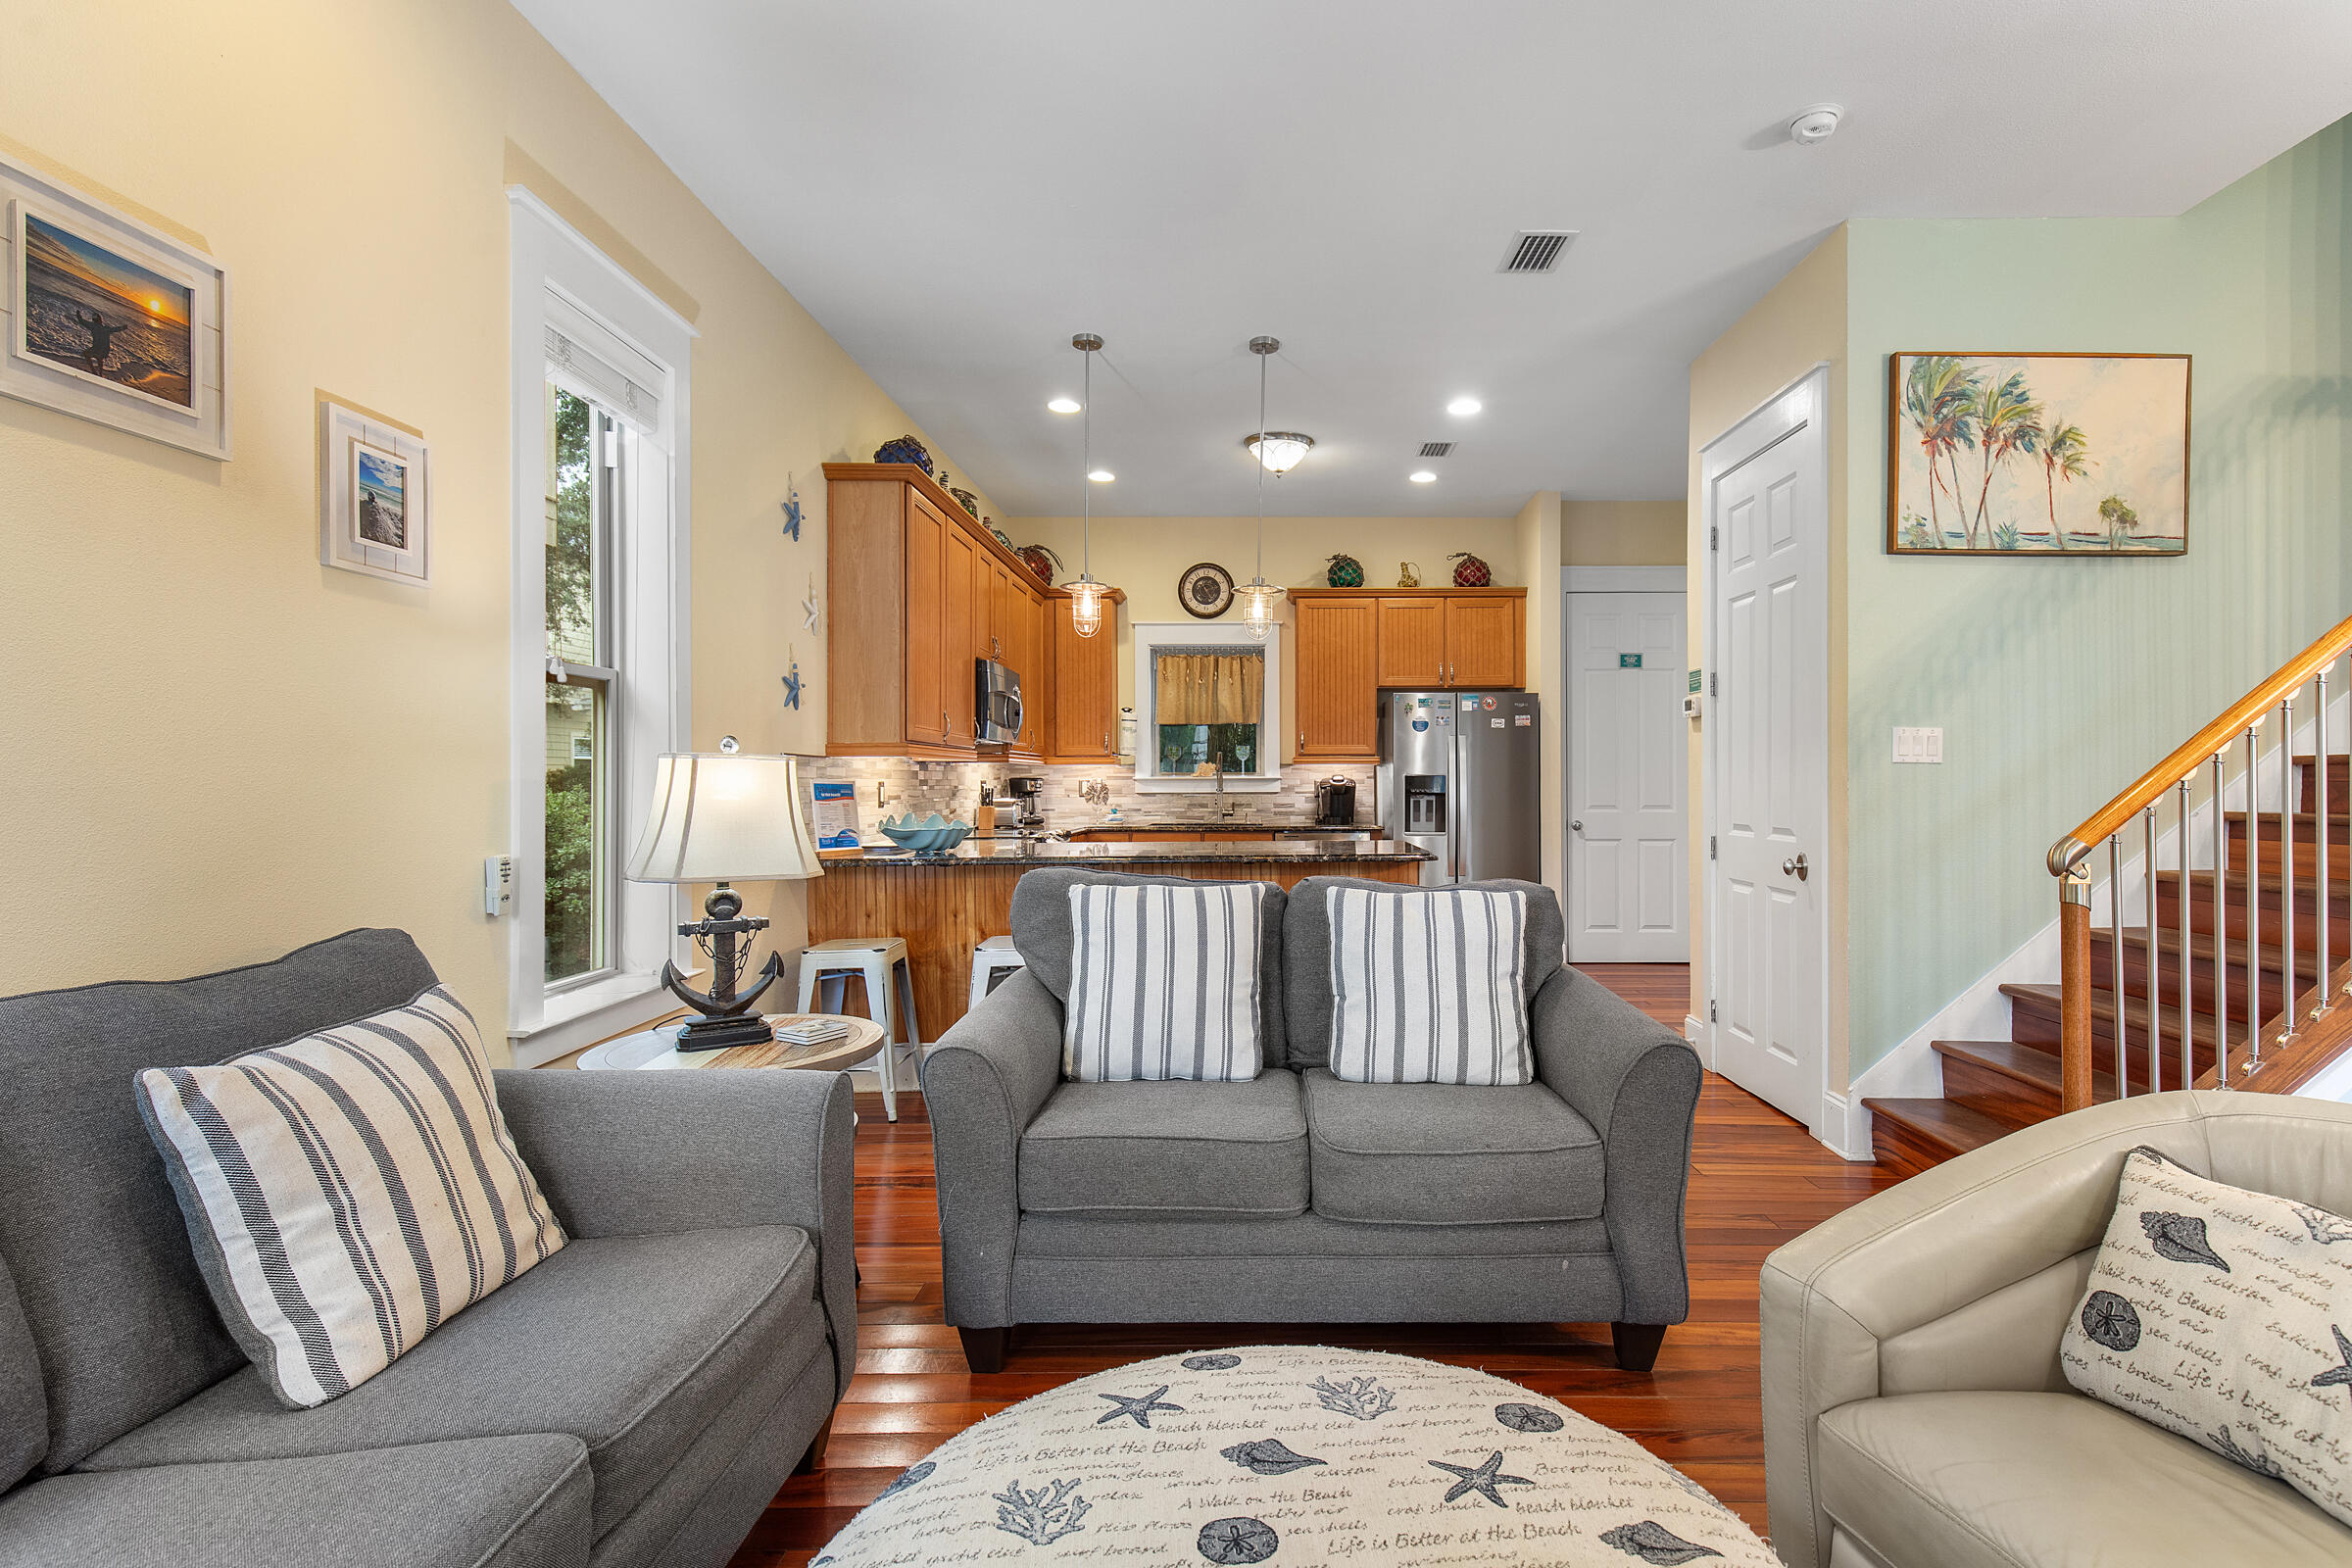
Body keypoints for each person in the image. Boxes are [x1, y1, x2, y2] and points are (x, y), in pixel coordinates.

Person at [73, 308, 119, 373]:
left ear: (94, 320)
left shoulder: (93, 326)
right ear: (101, 320)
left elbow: (81, 321)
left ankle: (94, 370)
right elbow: (116, 329)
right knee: (99, 358)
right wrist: (125, 327)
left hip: (97, 347)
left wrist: (78, 314)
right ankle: (100, 373)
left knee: (87, 354)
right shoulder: (106, 328)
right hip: (105, 348)